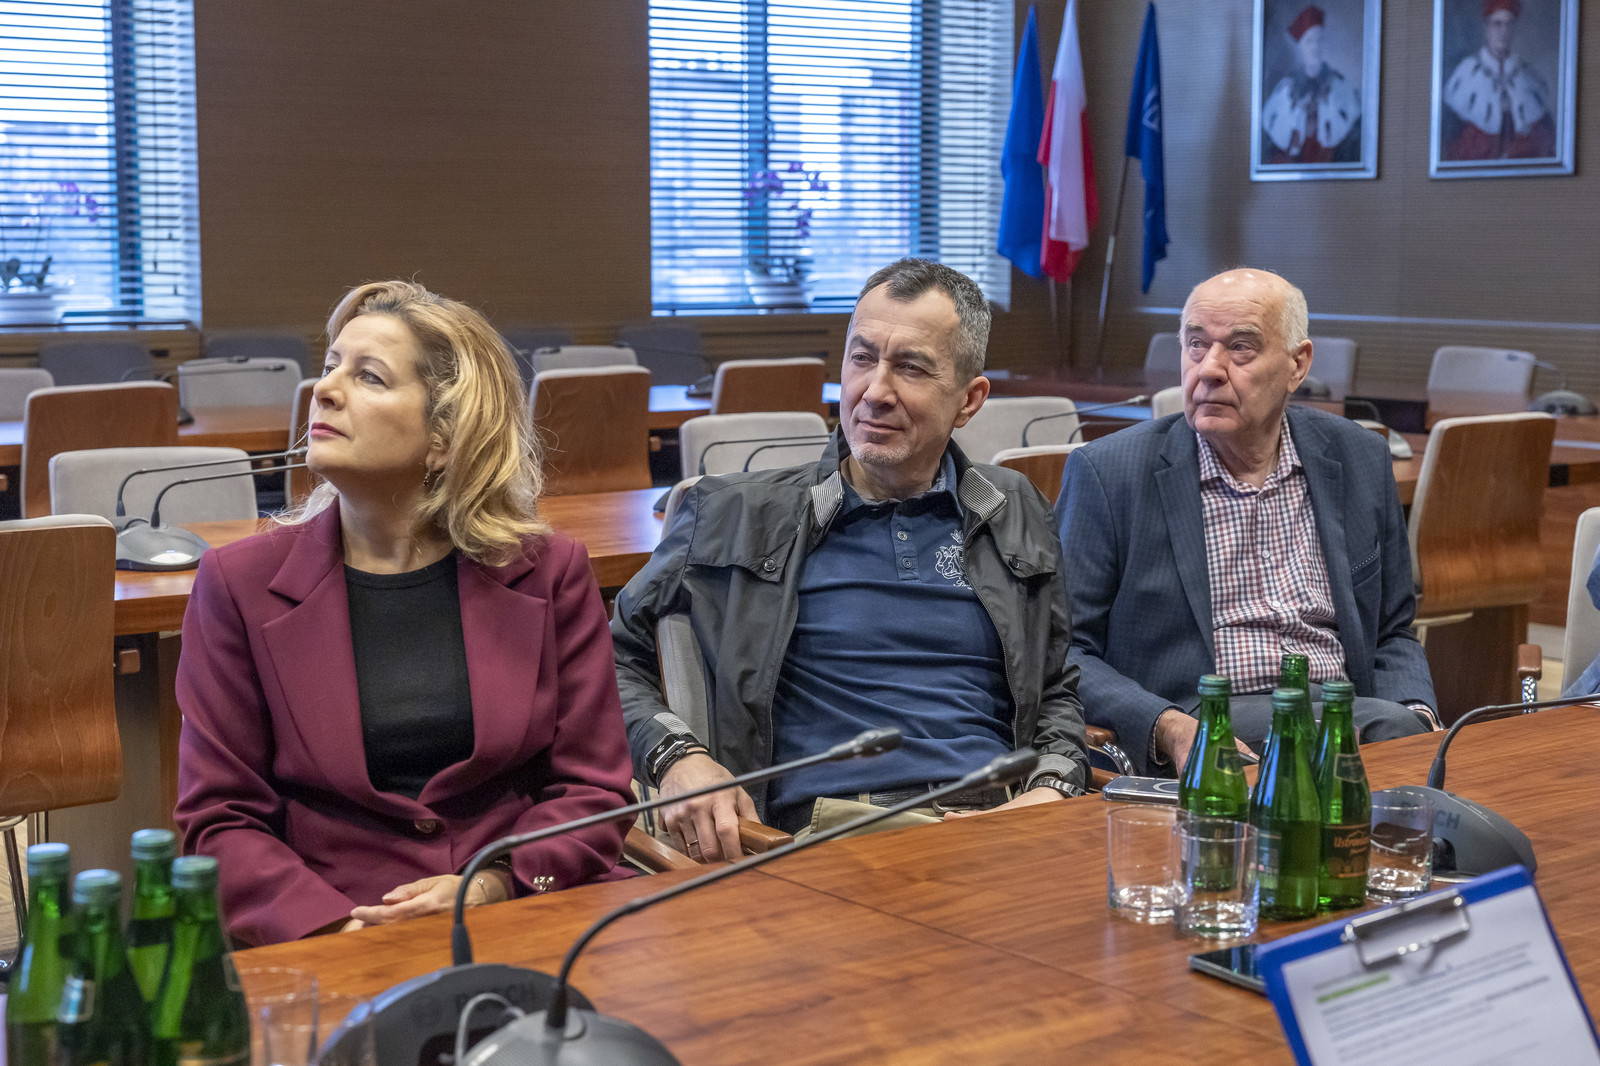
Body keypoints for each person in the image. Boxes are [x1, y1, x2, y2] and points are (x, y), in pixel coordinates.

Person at [174, 280, 635, 946]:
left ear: (444, 436)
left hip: (520, 914)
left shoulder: (549, 572)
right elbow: (219, 819)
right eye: (330, 366)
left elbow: (592, 792)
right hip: (330, 930)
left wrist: (492, 884)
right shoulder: (238, 584)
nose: (324, 390)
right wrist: (335, 925)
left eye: (369, 376)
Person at [612, 258, 1090, 862]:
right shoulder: (736, 512)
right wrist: (677, 756)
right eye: (862, 358)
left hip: (1003, 829)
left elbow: (1055, 689)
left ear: (969, 401)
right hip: (841, 836)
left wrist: (1052, 788)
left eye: (911, 367)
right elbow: (604, 660)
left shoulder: (1012, 507)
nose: (875, 391)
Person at [1057, 268, 1436, 776]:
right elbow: (1064, 651)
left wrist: (1416, 713)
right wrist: (1167, 725)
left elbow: (1392, 631)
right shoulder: (1109, 473)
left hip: (1349, 712)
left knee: (1437, 757)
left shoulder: (1358, 457)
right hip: (1209, 721)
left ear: (1298, 365)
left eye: (1240, 348)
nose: (1210, 369)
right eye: (1196, 345)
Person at [1442, 0, 1556, 162]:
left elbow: (1547, 145)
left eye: (1509, 24)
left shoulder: (1529, 78)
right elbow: (1453, 147)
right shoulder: (1465, 75)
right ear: (1486, 28)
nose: (1504, 31)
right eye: (1497, 24)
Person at [1261, 5, 1362, 165]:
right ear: (1300, 47)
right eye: (1309, 41)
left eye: (1319, 40)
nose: (1315, 47)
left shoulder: (1340, 86)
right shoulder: (1284, 90)